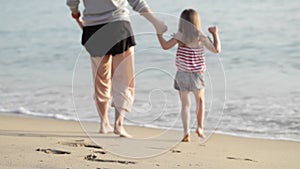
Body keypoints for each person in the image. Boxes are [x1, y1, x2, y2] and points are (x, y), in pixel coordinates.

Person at [66, 0, 167, 138]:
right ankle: (118, 124)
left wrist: (75, 12)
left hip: (93, 29)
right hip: (119, 26)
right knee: (124, 78)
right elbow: (137, 2)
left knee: (101, 80)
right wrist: (156, 22)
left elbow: (72, 2)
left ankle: (103, 123)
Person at [156, 9, 221, 142]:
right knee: (200, 102)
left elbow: (165, 46)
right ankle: (200, 127)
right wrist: (215, 34)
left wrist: (159, 34)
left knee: (185, 105)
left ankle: (186, 132)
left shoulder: (180, 36)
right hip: (197, 75)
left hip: (182, 74)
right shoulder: (200, 37)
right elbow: (216, 50)